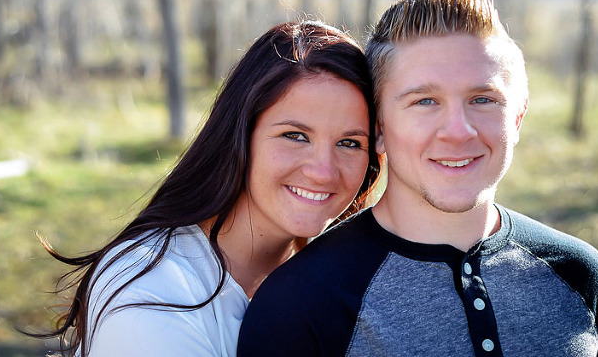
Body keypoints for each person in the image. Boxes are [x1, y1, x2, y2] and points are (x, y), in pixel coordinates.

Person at [237, 0, 598, 356]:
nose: (458, 132)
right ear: (378, 130)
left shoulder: (581, 277)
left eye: (483, 99)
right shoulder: (300, 304)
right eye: (425, 101)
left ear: (517, 118)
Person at [26, 20, 381, 357]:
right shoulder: (151, 292)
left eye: (350, 143)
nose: (323, 171)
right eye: (295, 136)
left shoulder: (338, 280)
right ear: (240, 135)